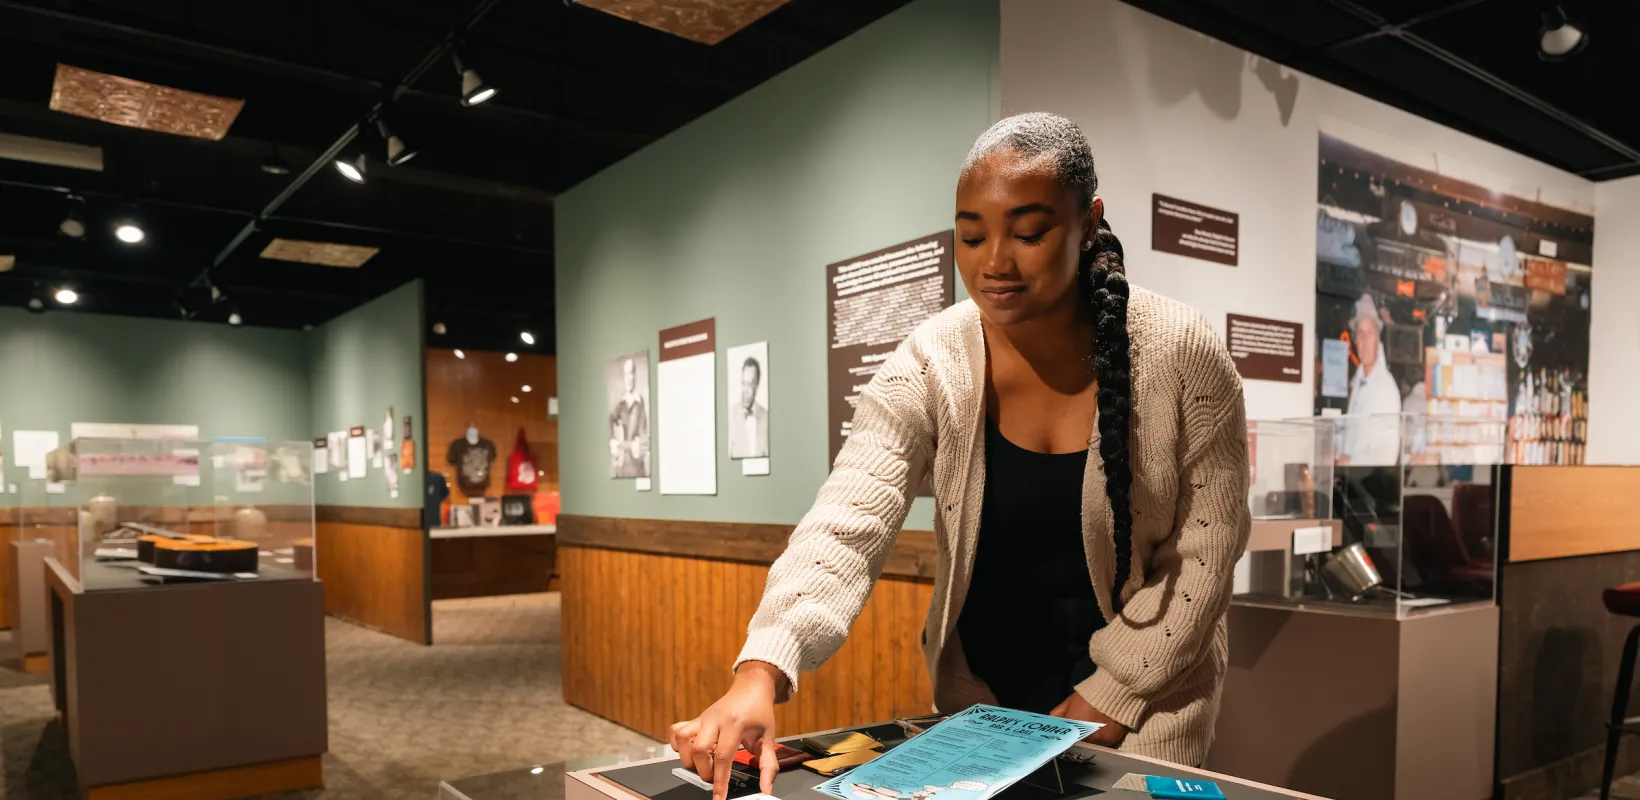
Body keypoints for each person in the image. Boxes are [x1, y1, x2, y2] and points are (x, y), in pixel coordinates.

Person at [671, 113, 1251, 799]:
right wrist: (761, 668)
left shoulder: (1184, 355)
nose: (994, 262)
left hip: (1147, 700)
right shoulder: (930, 361)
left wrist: (1112, 694)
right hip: (985, 700)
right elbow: (847, 521)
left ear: (1090, 220)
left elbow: (1205, 556)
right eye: (971, 235)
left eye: (1029, 233)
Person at [1340, 292, 1401, 466]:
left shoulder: (1386, 388)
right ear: (1355, 340)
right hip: (1350, 483)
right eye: (1360, 333)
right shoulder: (1358, 382)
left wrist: (1351, 461)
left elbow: (1388, 453)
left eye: (1370, 333)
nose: (1365, 340)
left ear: (1377, 338)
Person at [609, 356, 648, 477]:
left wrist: (637, 445)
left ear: (635, 376)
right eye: (626, 375)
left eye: (631, 374)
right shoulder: (620, 404)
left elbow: (644, 437)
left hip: (636, 468)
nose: (629, 379)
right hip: (621, 467)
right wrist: (612, 441)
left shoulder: (639, 403)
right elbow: (609, 420)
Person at [729, 356, 770, 459]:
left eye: (750, 385)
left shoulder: (766, 416)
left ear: (757, 386)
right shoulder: (731, 415)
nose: (745, 390)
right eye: (743, 383)